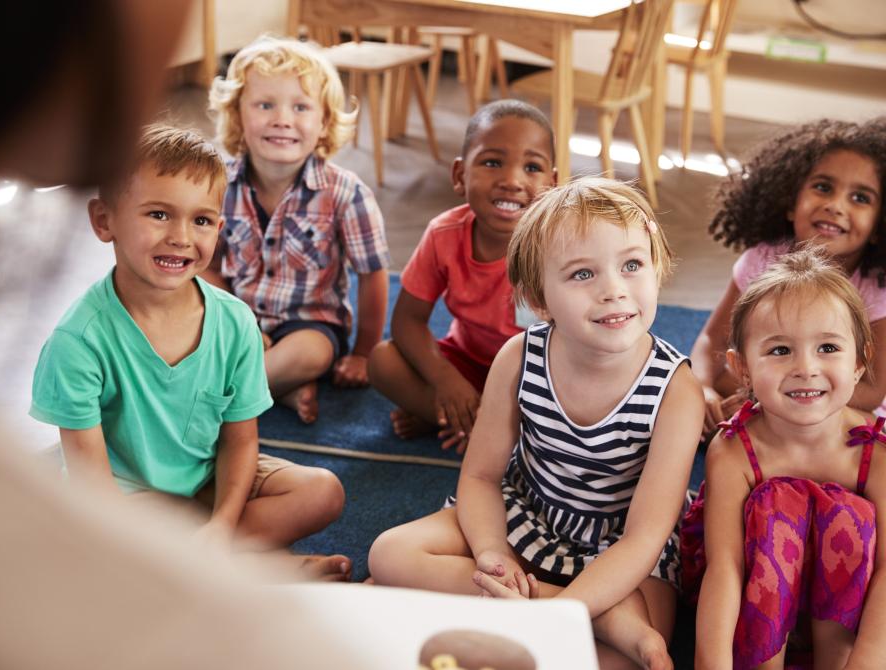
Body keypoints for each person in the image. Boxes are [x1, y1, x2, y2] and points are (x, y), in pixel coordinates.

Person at [368, 177, 705, 669]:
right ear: (539, 299)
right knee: (389, 553)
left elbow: (644, 537)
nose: (614, 289)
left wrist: (563, 609)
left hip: (620, 545)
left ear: (657, 269)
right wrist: (491, 556)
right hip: (528, 512)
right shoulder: (519, 356)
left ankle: (533, 613)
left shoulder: (677, 392)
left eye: (632, 265)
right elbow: (481, 476)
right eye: (582, 274)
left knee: (630, 662)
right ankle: (584, 617)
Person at [29, 123, 348, 573]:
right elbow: (95, 496)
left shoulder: (235, 321)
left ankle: (210, 567)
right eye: (158, 214)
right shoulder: (78, 342)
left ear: (219, 228)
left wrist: (221, 525)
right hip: (122, 500)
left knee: (323, 491)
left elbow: (240, 443)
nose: (181, 236)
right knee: (127, 540)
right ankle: (264, 573)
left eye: (200, 220)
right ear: (105, 221)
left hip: (204, 478)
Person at [686, 247, 886, 669]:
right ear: (741, 369)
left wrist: (867, 660)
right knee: (777, 504)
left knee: (851, 514)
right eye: (780, 351)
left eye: (828, 347)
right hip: (756, 606)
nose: (806, 368)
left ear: (859, 362)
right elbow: (725, 571)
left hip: (841, 619)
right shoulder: (735, 449)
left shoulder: (875, 450)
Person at [205, 35, 390, 424]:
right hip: (240, 318)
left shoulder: (346, 194)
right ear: (238, 115)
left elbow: (372, 275)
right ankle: (281, 390)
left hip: (311, 324)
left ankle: (214, 406)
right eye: (264, 104)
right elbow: (208, 265)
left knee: (311, 355)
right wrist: (238, 323)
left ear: (323, 123)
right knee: (172, 323)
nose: (282, 119)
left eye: (301, 107)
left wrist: (363, 353)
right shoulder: (218, 184)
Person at [367, 100, 557, 453]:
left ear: (553, 184)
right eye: (492, 162)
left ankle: (469, 424)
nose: (512, 181)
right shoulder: (444, 234)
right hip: (466, 363)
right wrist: (445, 381)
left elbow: (575, 347)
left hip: (536, 377)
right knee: (382, 362)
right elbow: (408, 321)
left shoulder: (558, 248)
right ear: (459, 176)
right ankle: (472, 420)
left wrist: (515, 402)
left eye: (532, 167)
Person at [691, 118, 886, 438]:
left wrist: (772, 403)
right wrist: (701, 387)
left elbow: (872, 389)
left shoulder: (876, 287)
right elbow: (712, 339)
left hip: (840, 400)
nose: (835, 206)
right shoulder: (762, 259)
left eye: (860, 198)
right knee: (700, 390)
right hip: (770, 383)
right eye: (823, 187)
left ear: (879, 225)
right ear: (790, 203)